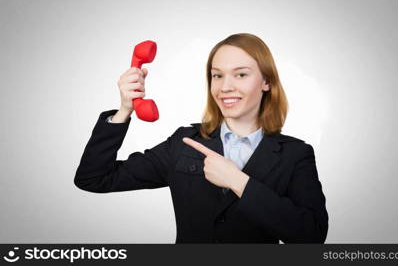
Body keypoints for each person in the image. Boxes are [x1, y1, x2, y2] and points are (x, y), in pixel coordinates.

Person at [74, 33, 329, 243]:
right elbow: (94, 178)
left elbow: (312, 236)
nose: (225, 86)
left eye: (241, 74)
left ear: (266, 82)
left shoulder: (295, 154)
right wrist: (124, 109)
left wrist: (239, 182)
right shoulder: (184, 142)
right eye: (217, 75)